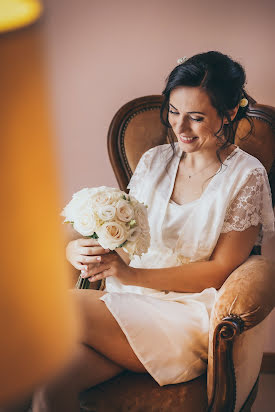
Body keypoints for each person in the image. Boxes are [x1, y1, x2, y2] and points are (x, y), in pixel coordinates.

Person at [32, 51, 274, 411]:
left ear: (229, 113)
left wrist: (131, 275)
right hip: (126, 301)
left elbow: (220, 270)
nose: (180, 128)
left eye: (196, 117)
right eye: (174, 112)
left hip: (187, 311)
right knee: (52, 391)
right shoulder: (154, 160)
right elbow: (125, 235)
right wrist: (79, 250)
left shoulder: (246, 175)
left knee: (54, 307)